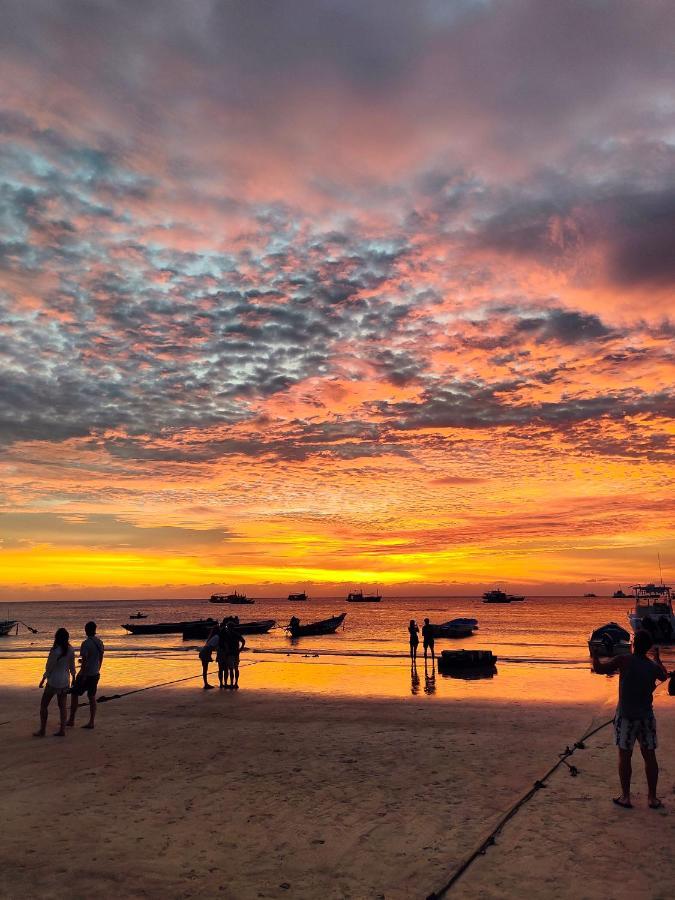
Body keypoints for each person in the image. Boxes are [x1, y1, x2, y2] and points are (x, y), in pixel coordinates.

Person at [592, 629, 668, 809]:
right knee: (649, 756)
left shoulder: (624, 659)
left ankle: (626, 797)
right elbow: (663, 676)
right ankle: (652, 798)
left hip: (626, 717)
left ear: (633, 644)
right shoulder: (652, 666)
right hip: (646, 718)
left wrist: (595, 655)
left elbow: (600, 669)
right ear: (648, 647)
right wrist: (657, 658)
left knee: (625, 756)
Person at [34, 628, 76, 737]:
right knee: (62, 706)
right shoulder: (71, 649)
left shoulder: (54, 650)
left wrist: (43, 679)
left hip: (53, 681)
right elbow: (72, 666)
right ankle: (62, 730)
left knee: (44, 705)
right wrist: (74, 677)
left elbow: (49, 667)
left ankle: (42, 730)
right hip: (65, 681)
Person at [68, 621, 105, 729]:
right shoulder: (100, 642)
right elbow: (101, 657)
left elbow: (84, 661)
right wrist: (98, 668)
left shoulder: (85, 643)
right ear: (95, 630)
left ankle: (71, 719)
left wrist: (82, 675)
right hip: (95, 673)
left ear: (86, 630)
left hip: (86, 674)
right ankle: (91, 722)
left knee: (74, 694)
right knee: (92, 697)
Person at [221, 621, 246, 689]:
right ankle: (235, 683)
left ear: (229, 627)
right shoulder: (236, 634)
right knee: (235, 668)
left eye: (228, 627)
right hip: (236, 653)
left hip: (230, 654)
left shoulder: (227, 635)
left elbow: (226, 644)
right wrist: (240, 649)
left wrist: (226, 651)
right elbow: (243, 641)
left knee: (231, 669)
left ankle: (231, 684)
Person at [199, 624, 220, 689]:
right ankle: (206, 684)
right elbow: (212, 647)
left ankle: (206, 684)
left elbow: (211, 646)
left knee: (205, 669)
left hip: (203, 652)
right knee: (205, 669)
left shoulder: (212, 637)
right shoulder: (217, 637)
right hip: (205, 653)